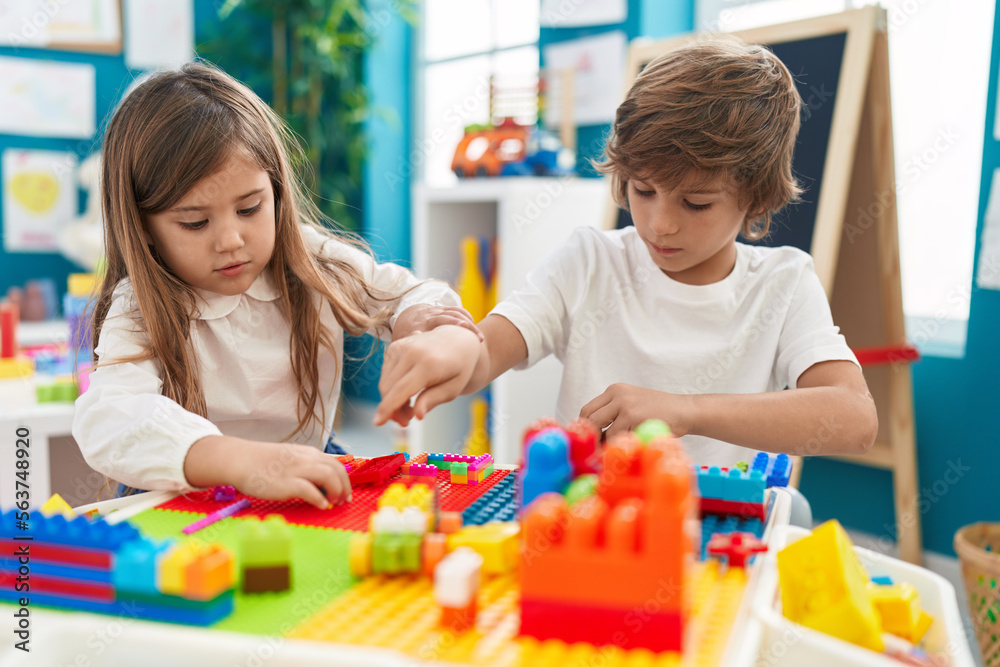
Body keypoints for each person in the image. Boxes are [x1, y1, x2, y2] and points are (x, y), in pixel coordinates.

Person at [375, 37, 878, 466]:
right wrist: (454, 348)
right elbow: (486, 353)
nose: (660, 224)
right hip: (593, 524)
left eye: (697, 203)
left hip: (718, 540)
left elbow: (855, 419)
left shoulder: (783, 283)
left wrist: (685, 410)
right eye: (642, 190)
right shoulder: (590, 261)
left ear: (757, 197)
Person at [73, 62, 481, 509]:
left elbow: (412, 295)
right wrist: (239, 460)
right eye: (195, 222)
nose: (231, 240)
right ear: (143, 226)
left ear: (276, 191)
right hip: (184, 489)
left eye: (249, 208)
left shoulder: (312, 260)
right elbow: (110, 418)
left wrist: (426, 323)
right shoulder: (140, 305)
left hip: (305, 470)